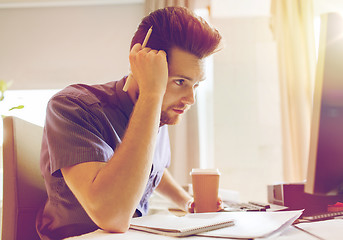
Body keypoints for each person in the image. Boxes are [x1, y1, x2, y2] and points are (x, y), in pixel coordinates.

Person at [36, 6, 222, 240]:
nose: (190, 99)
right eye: (180, 81)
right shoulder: (72, 107)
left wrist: (187, 201)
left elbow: (153, 169)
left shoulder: (158, 115)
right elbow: (112, 216)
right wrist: (151, 93)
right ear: (142, 65)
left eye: (195, 85)